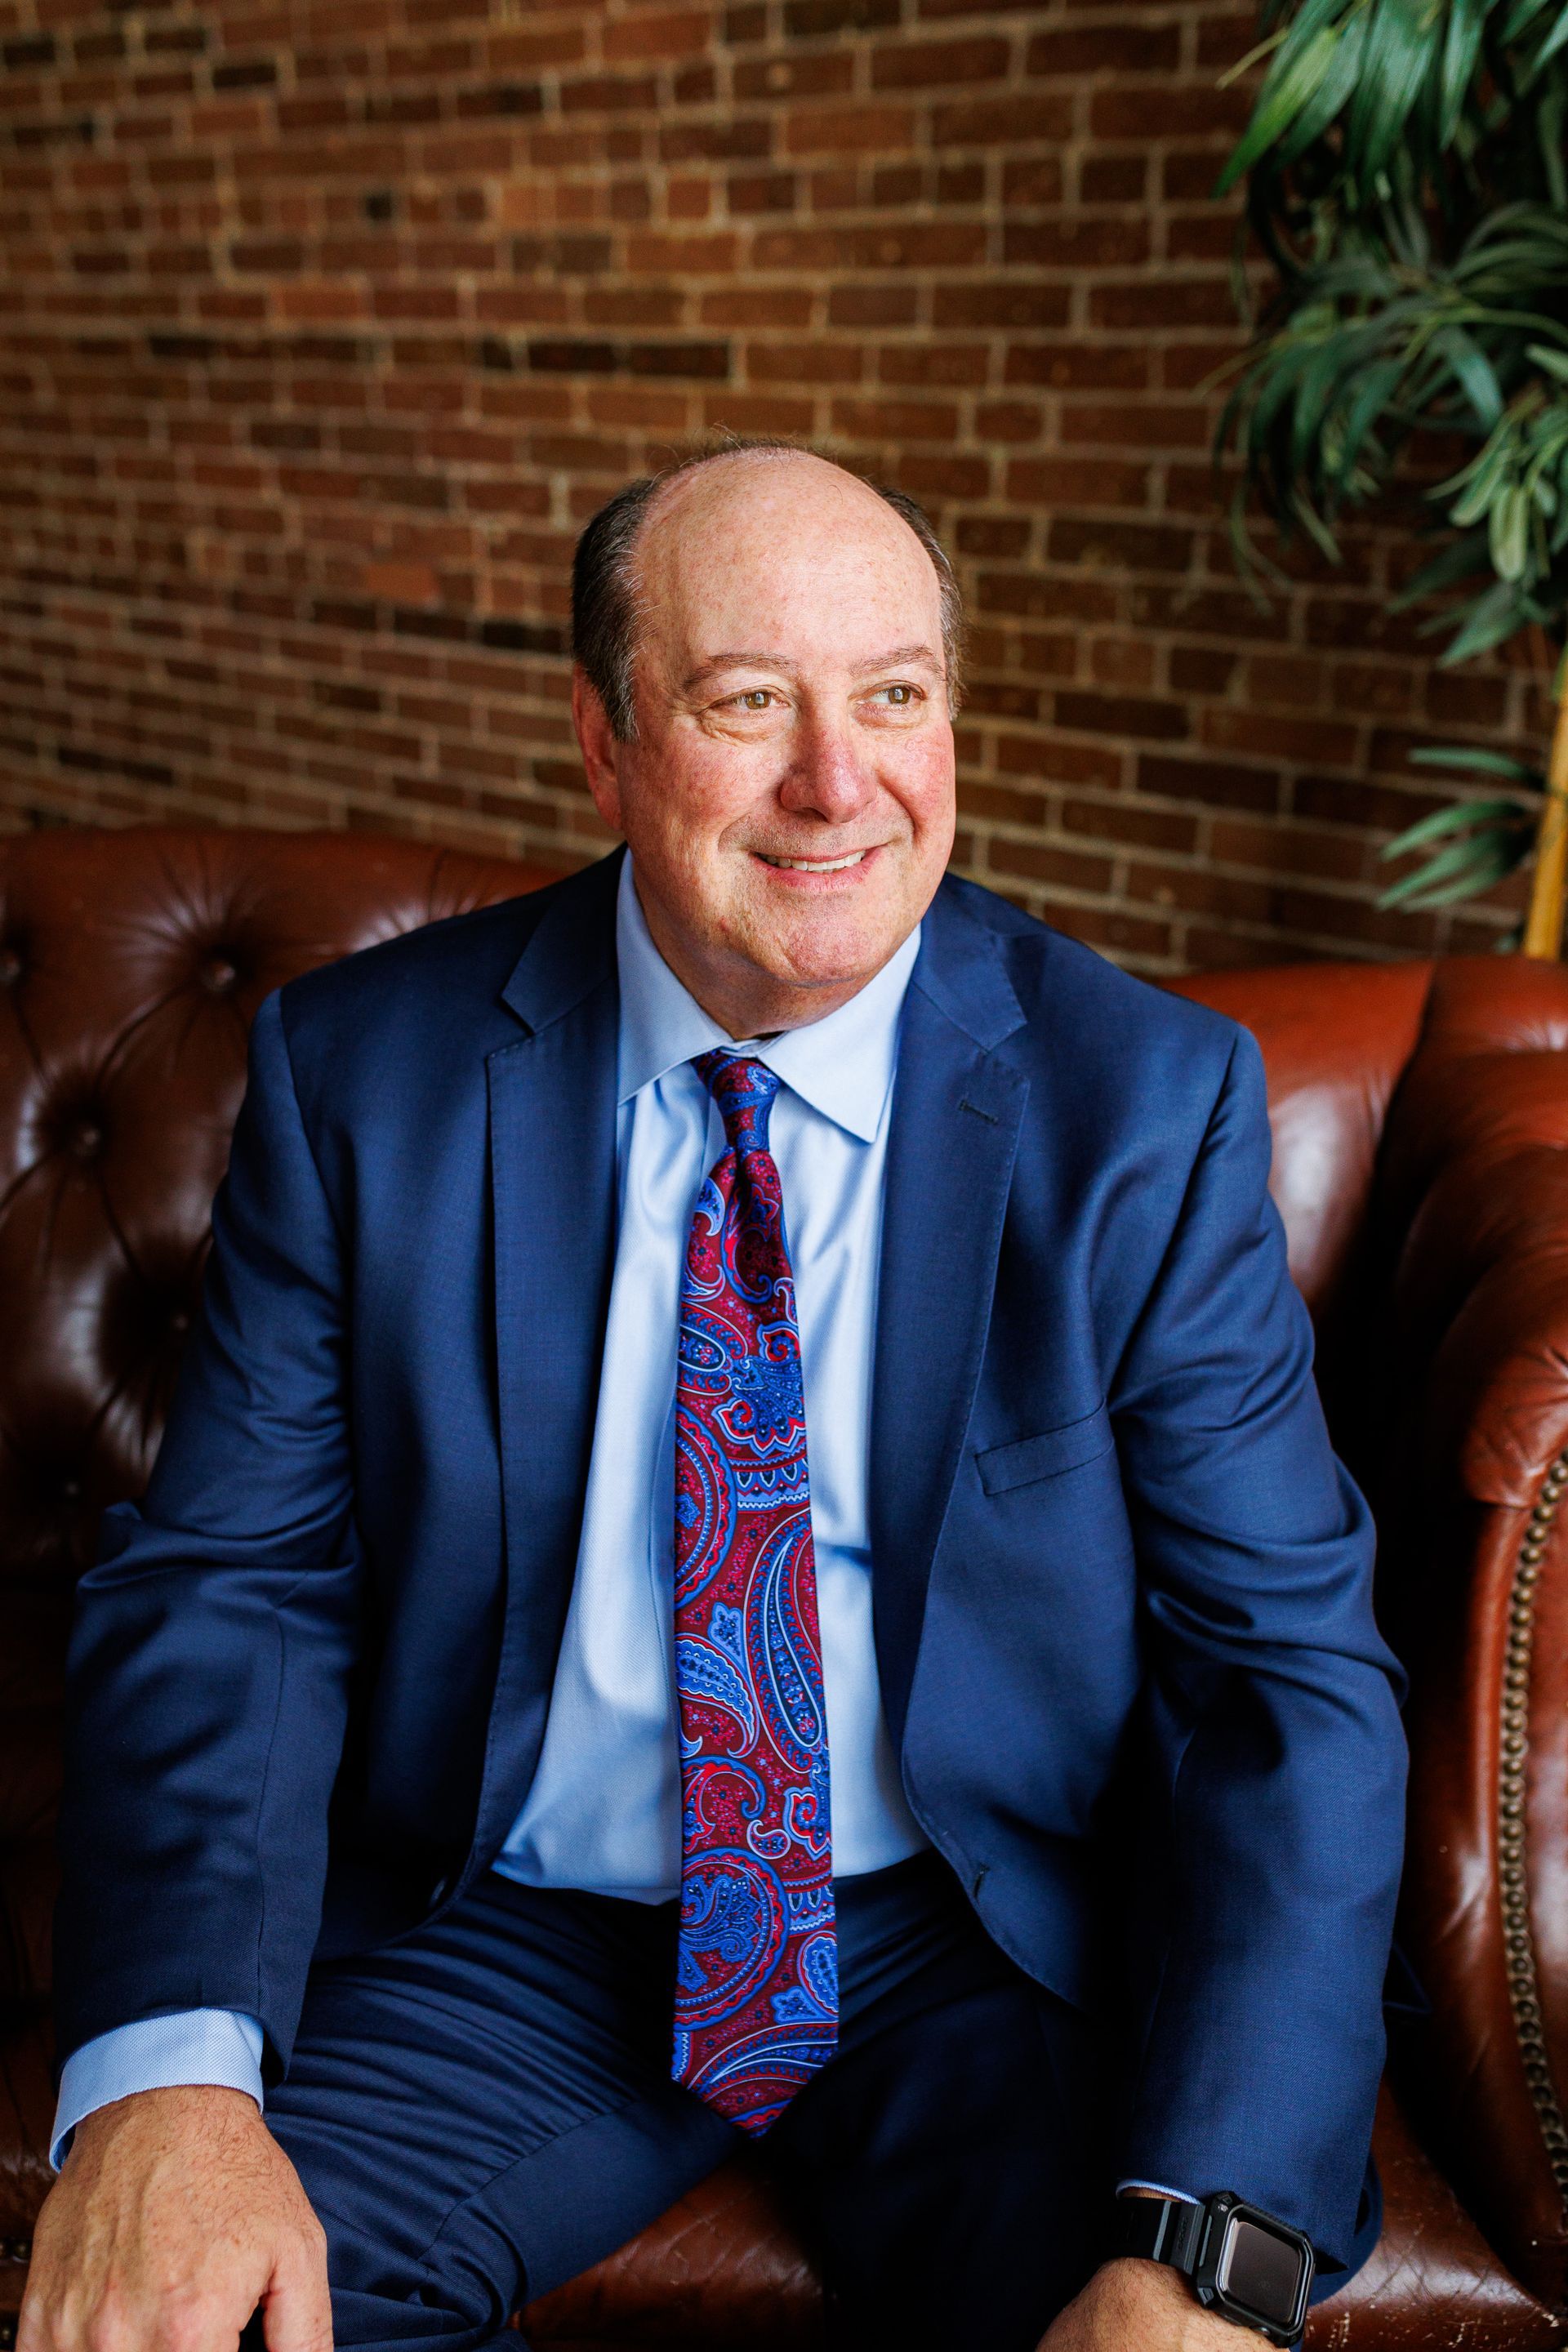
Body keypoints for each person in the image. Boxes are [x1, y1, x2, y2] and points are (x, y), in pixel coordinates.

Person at [20, 443, 1405, 2352]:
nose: (841, 785)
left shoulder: (1138, 1113)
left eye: (897, 697)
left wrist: (1215, 2253)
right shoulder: (369, 1081)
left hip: (969, 1930)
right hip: (521, 1919)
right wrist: (170, 2077)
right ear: (602, 742)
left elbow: (1288, 1672)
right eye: (750, 703)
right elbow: (231, 1582)